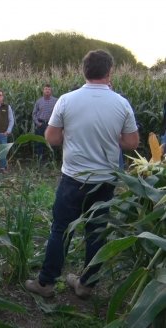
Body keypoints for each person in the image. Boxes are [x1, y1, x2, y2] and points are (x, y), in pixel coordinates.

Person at [25, 50, 139, 299]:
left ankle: (46, 283)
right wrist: (110, 137)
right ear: (109, 72)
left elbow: (52, 138)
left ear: (84, 71)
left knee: (61, 229)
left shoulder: (66, 100)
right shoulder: (121, 103)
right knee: (96, 231)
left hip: (73, 179)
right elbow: (132, 142)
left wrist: (73, 135)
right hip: (105, 181)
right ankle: (86, 284)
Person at [32, 84, 58, 160]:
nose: (47, 90)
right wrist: (38, 123)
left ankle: (52, 160)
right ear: (43, 91)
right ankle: (40, 160)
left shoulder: (56, 101)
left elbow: (59, 113)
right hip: (41, 124)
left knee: (52, 142)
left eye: (49, 89)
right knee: (39, 142)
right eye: (46, 89)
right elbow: (34, 114)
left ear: (51, 91)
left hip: (51, 124)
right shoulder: (39, 101)